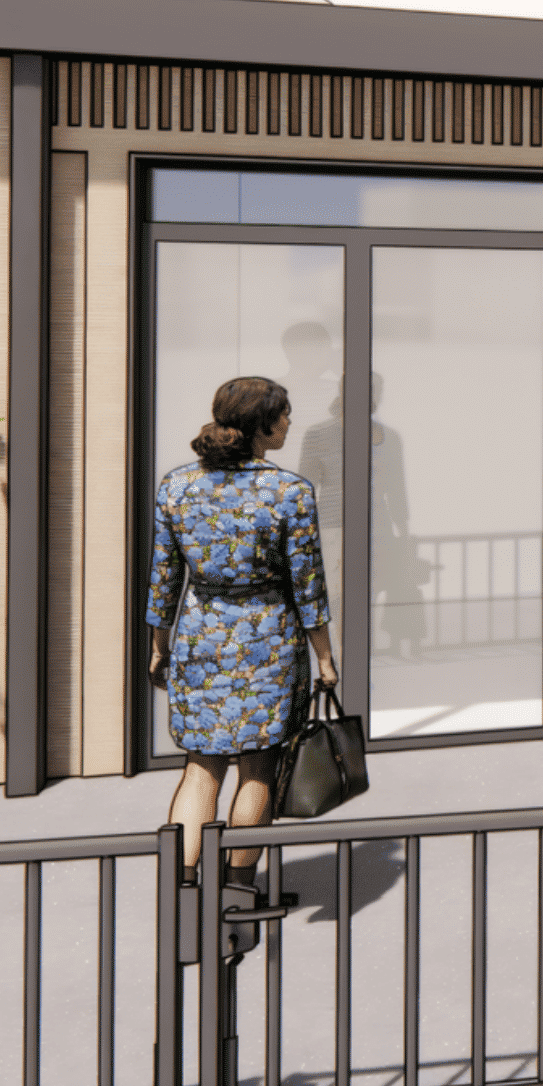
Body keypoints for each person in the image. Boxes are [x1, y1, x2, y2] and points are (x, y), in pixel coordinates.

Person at [144, 376, 341, 881]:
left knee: (200, 767)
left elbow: (164, 578)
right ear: (263, 425)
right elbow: (308, 586)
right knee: (258, 767)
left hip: (200, 638)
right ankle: (237, 890)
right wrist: (324, 657)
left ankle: (183, 888)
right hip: (269, 643)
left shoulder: (177, 487)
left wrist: (159, 645)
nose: (289, 422)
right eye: (284, 414)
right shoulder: (289, 491)